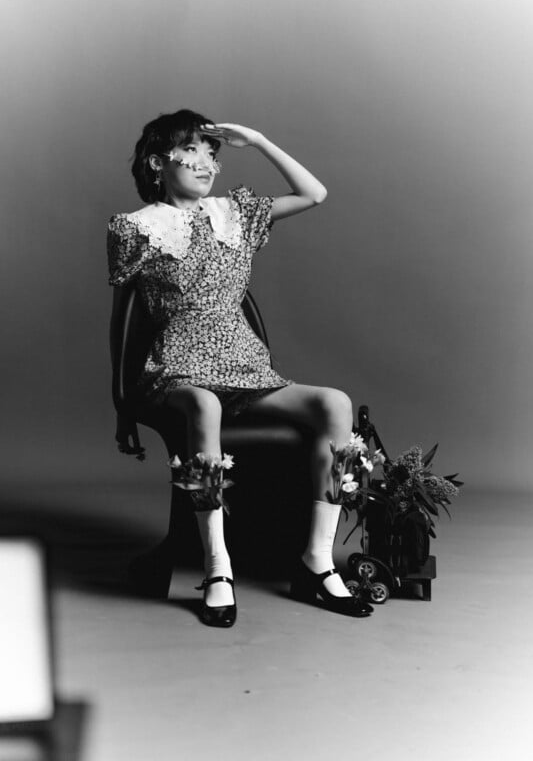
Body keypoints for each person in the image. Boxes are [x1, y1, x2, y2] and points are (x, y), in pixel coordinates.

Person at [108, 109, 372, 627]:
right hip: (176, 368)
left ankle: (316, 562)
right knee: (203, 402)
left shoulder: (237, 214)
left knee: (335, 403)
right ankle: (216, 568)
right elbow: (123, 323)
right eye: (194, 150)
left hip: (245, 367)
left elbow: (314, 193)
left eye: (213, 153)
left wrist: (260, 139)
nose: (208, 162)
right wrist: (121, 402)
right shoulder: (133, 228)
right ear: (160, 163)